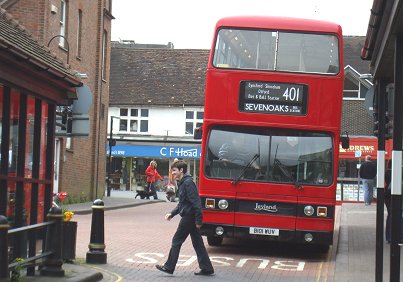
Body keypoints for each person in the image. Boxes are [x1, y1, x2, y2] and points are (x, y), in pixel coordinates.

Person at [155, 160, 214, 276]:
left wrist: (198, 220)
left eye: (174, 170)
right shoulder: (183, 183)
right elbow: (182, 204)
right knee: (198, 243)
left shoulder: (187, 183)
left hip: (189, 217)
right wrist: (172, 214)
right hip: (190, 216)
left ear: (181, 170)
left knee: (176, 240)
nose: (173, 173)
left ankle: (169, 267)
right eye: (172, 170)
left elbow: (196, 202)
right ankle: (207, 268)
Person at [384, 159, 392, 243]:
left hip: (387, 195)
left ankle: (388, 236)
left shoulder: (386, 173)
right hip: (392, 195)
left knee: (390, 214)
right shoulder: (397, 172)